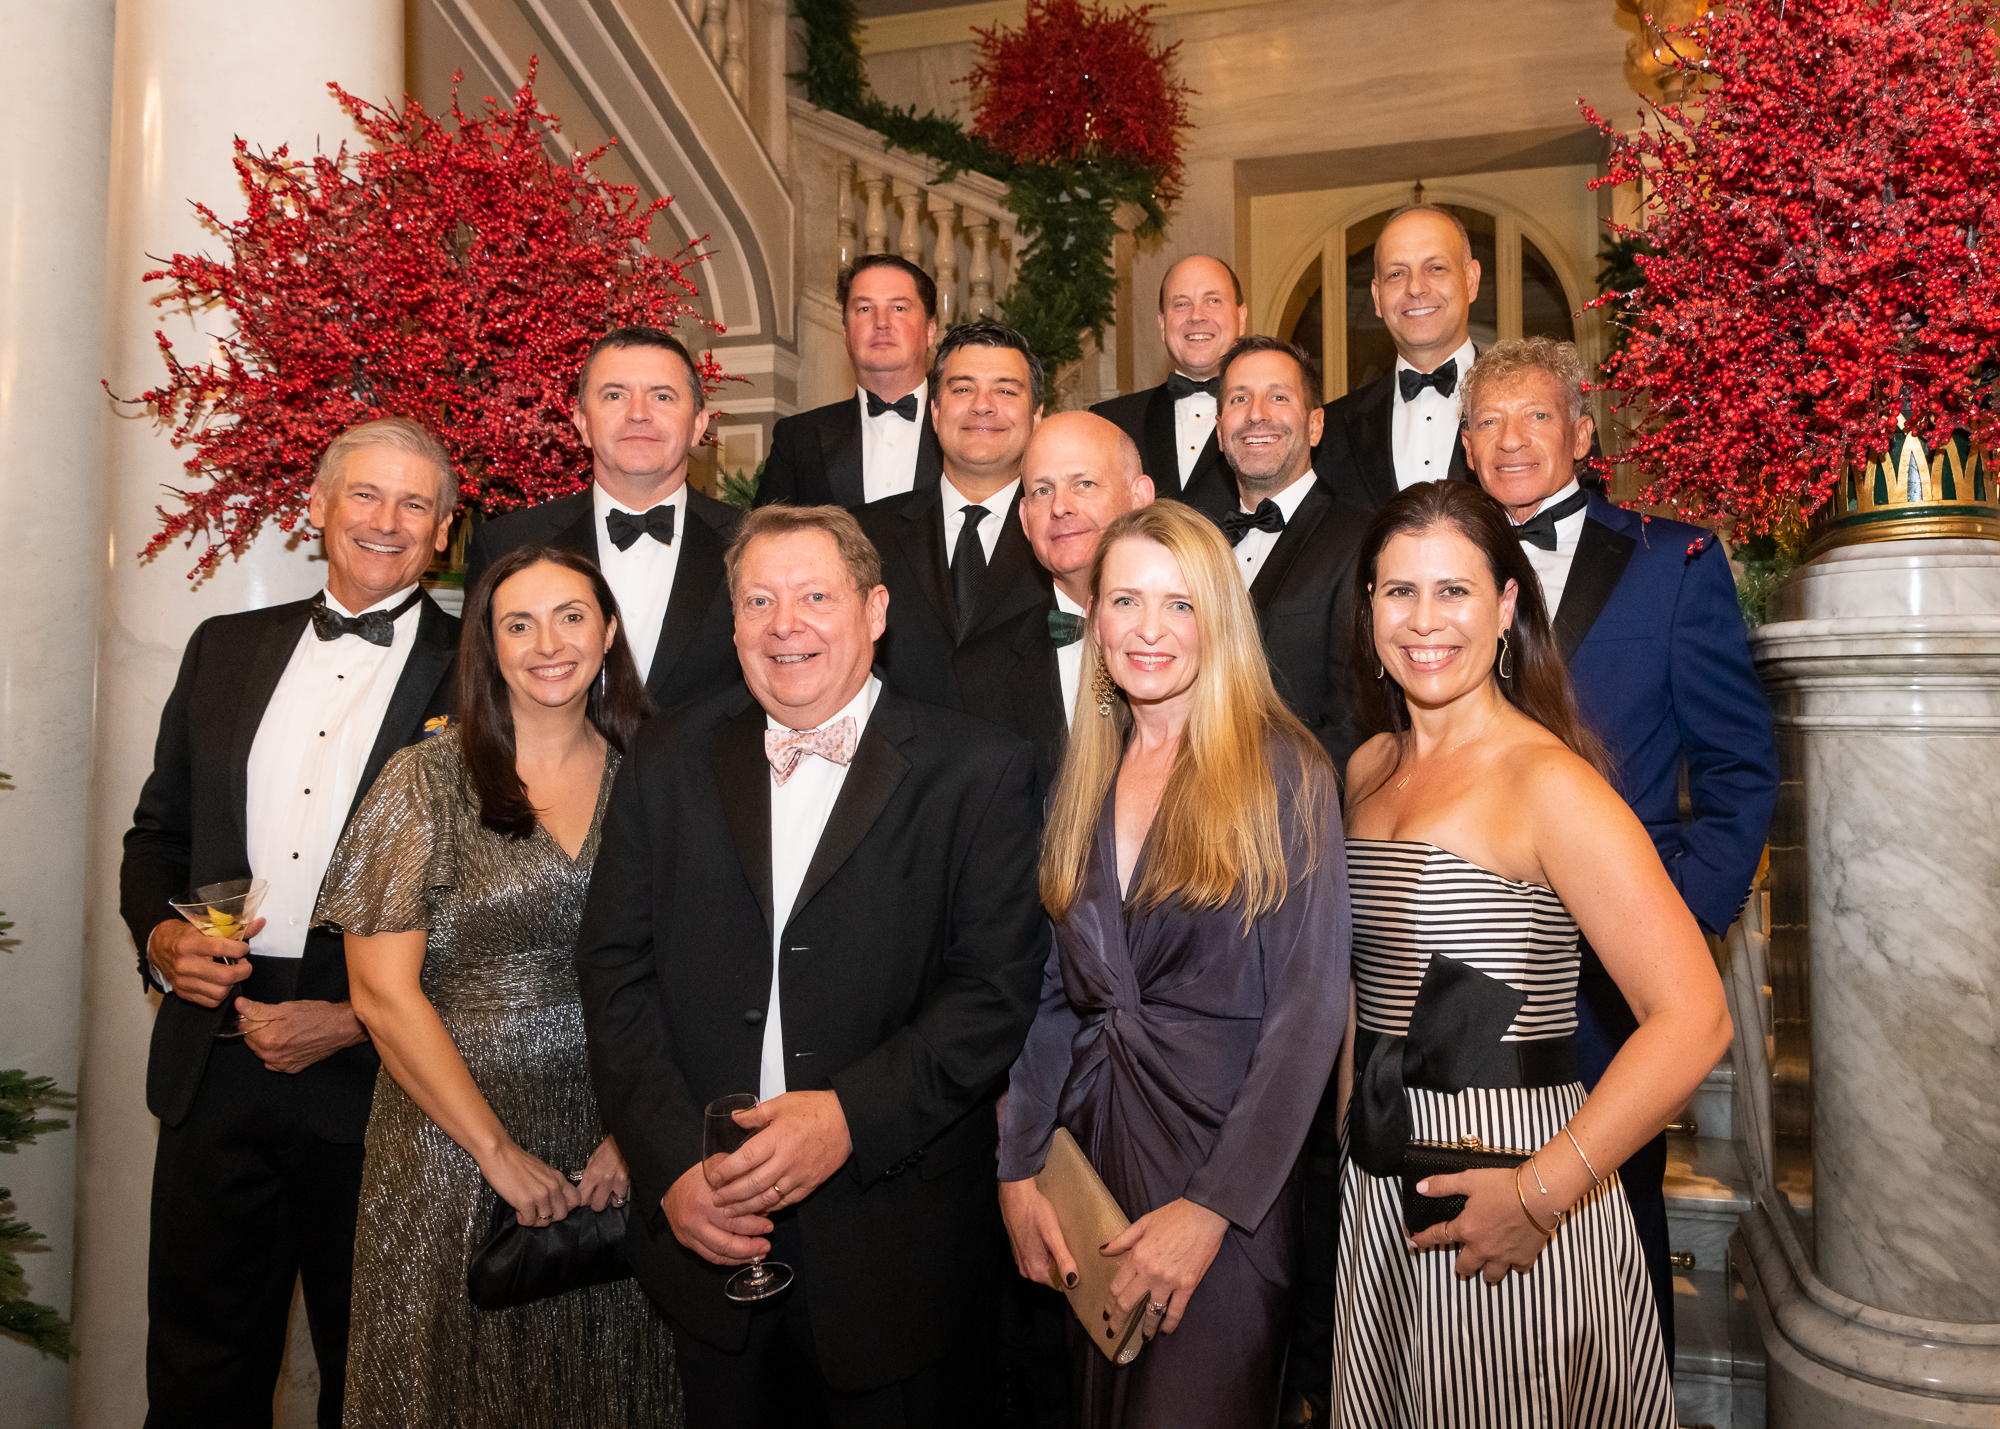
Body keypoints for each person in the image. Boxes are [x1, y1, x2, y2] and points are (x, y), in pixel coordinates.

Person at [574, 504, 1050, 1425]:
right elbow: (614, 968)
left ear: (875, 611)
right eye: (758, 600)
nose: (783, 623)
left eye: (815, 597)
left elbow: (995, 992)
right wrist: (672, 1166)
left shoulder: (980, 770)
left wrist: (847, 1117)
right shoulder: (667, 754)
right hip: (708, 1236)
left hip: (894, 1251)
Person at [1329, 479, 1730, 1426]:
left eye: (1455, 590)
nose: (1426, 620)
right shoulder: (1367, 768)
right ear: (1370, 608)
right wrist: (1351, 1133)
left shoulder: (1551, 782)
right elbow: (1362, 982)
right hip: (1379, 1179)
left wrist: (1541, 1192)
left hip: (1510, 1181)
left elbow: (1696, 1018)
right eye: (1400, 591)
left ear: (1507, 606)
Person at [119, 418, 461, 1428]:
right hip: (213, 1055)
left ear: (444, 531)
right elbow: (158, 836)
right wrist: (164, 943)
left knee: (376, 1388)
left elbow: (500, 898)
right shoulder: (223, 647)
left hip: (387, 1074)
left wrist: (357, 1016)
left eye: (415, 503)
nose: (387, 520)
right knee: (197, 1376)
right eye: (365, 494)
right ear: (317, 506)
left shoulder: (481, 668)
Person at [1461, 335, 1779, 1368]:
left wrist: (1680, 919)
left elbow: (1737, 767)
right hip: (1463, 955)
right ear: (1465, 446)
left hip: (1610, 972)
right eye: (1487, 420)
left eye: (1534, 415)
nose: (1511, 439)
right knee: (1467, 1217)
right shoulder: (1436, 566)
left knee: (1609, 1218)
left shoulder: (1670, 559)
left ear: (1582, 433)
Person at [996, 501, 1350, 1428]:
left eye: (1179, 603)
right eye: (1125, 600)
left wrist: (1212, 1210)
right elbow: (1058, 998)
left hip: (1226, 1174)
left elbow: (1310, 1011)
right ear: (1095, 618)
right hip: (1093, 1170)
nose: (1148, 629)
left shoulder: (1285, 770)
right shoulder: (1088, 774)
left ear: (1219, 618)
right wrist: (1018, 1167)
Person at [313, 545, 680, 1426]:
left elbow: (690, 972)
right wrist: (496, 1153)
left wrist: (636, 1134)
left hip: (614, 1151)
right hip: (451, 1145)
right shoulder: (425, 780)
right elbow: (381, 994)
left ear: (609, 632)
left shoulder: (658, 778)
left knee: (609, 1387)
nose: (547, 643)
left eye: (570, 617)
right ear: (490, 645)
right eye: (519, 624)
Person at [467, 326, 742, 711]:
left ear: (698, 424)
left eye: (662, 396)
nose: (638, 414)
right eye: (615, 395)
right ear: (582, 423)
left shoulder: (750, 545)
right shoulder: (505, 544)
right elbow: (479, 695)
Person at [1183, 336, 1373, 767]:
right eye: (1239, 399)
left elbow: (1354, 724)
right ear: (1220, 432)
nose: (1256, 414)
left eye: (1278, 397)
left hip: (1302, 798)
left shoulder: (1361, 539)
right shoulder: (1195, 545)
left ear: (1315, 425)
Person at [857, 320, 1051, 709]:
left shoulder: (1068, 533)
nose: (982, 405)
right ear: (934, 411)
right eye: (963, 389)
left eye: (1005, 390)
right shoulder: (863, 533)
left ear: (1036, 416)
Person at [955, 410, 1157, 783]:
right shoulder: (979, 673)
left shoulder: (1199, 638)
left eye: (1084, 484)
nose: (1060, 507)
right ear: (1024, 518)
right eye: (1042, 491)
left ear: (1139, 497)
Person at [1310, 205, 1481, 509]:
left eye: (1436, 268)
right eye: (1396, 274)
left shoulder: (1538, 408)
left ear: (1471, 280)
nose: (1415, 288)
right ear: (1377, 297)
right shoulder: (1330, 431)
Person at [755, 254, 944, 508]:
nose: (881, 323)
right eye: (865, 309)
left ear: (930, 329)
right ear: (845, 332)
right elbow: (767, 531)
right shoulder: (798, 440)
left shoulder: (967, 429)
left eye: (898, 308)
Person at [1090, 255, 1247, 499]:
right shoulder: (1108, 423)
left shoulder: (1272, 421)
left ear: (1242, 317)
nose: (1197, 316)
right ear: (1162, 325)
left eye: (1213, 300)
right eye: (1182, 304)